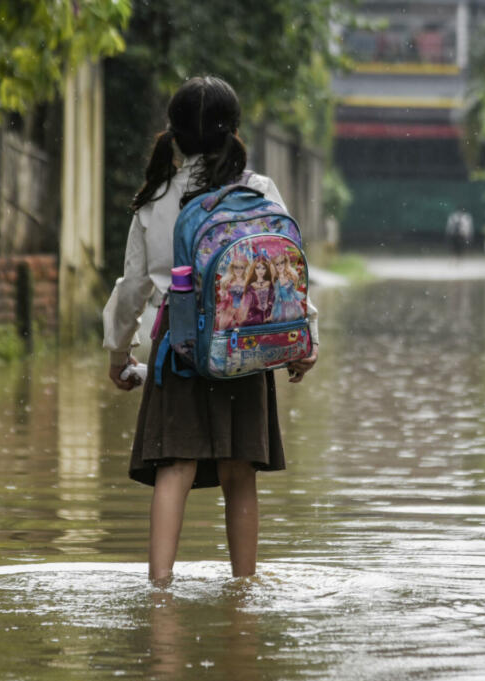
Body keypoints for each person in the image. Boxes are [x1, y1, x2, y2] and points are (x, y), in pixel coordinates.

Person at [102, 76, 319, 585]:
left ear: (173, 135)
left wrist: (118, 355)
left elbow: (132, 287)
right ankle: (244, 590)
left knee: (173, 468)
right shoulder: (258, 190)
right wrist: (305, 339)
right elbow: (286, 271)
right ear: (234, 131)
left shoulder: (155, 200)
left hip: (178, 349)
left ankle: (159, 591)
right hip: (243, 345)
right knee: (240, 473)